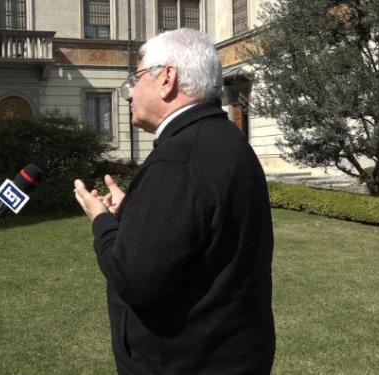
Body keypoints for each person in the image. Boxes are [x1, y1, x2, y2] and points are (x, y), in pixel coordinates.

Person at [73, 29, 275, 374]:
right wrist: (136, 212)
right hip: (234, 355)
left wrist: (101, 220)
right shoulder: (229, 141)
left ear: (168, 78)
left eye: (135, 79)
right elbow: (194, 232)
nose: (129, 94)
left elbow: (134, 278)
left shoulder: (179, 159)